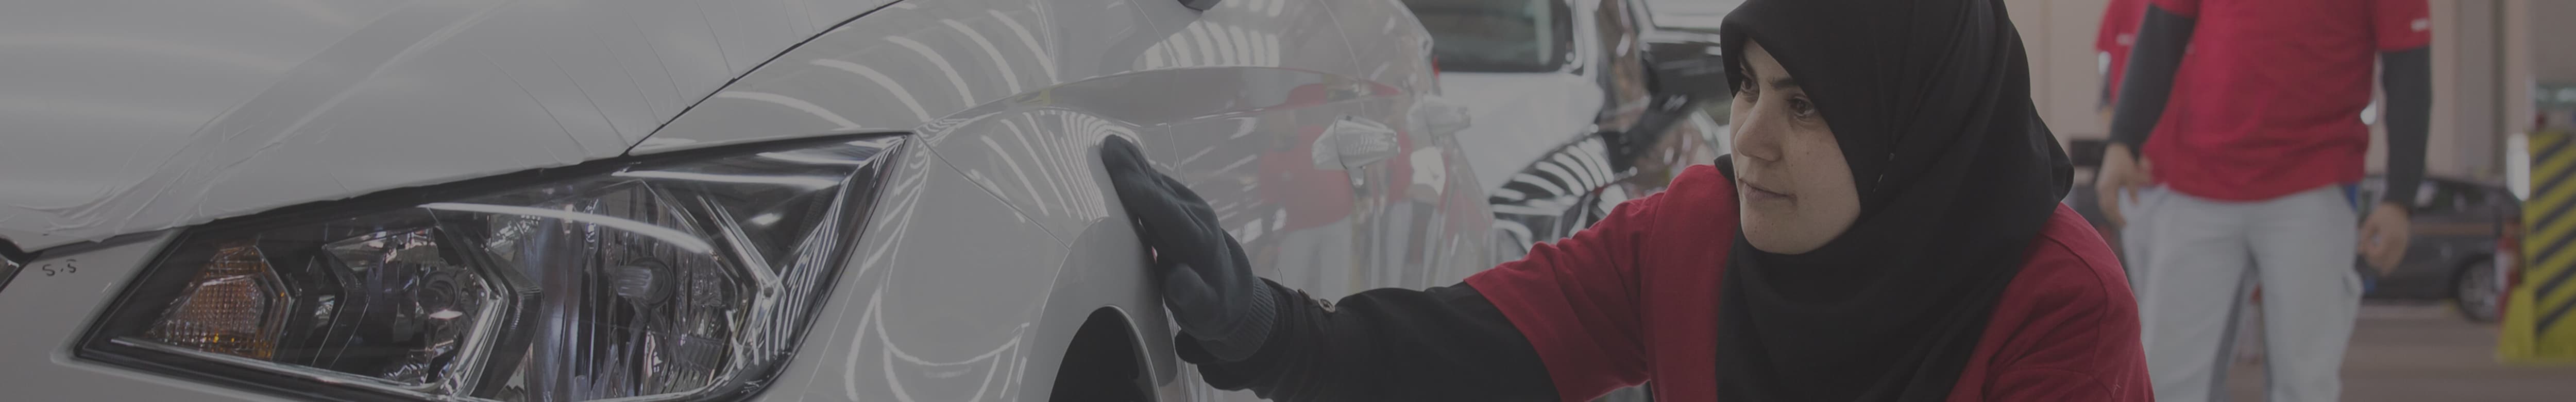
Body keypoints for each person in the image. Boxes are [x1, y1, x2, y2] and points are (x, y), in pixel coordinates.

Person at [1097, 1, 2153, 400]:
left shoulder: (2054, 300)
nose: (1749, 137)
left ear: (1909, 134)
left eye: (1806, 106)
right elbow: (1478, 345)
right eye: (1746, 88)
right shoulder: (1693, 235)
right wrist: (1273, 334)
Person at [2092, 1, 2432, 401]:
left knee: (2305, 384)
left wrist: (2400, 198)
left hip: (2313, 186)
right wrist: (2122, 140)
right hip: (2197, 189)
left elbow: (2408, 67)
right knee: (2163, 381)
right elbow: (2161, 35)